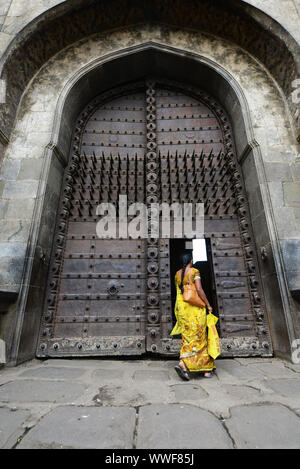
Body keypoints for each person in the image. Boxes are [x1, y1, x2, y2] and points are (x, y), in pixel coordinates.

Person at [170, 251, 215, 381]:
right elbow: (199, 290)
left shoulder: (177, 274)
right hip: (195, 309)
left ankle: (183, 363)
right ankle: (206, 370)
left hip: (184, 310)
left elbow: (179, 293)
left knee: (188, 337)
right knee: (200, 337)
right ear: (191, 260)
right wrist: (208, 304)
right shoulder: (195, 271)